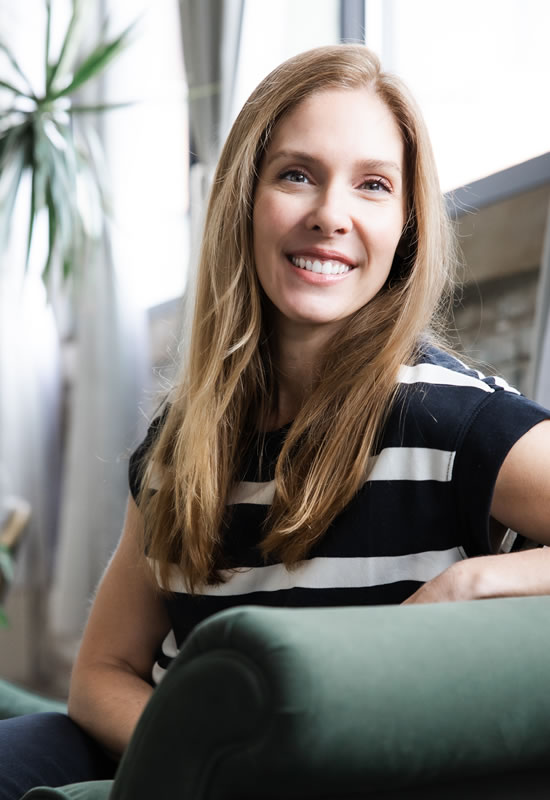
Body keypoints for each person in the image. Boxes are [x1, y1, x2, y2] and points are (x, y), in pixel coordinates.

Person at [1, 43, 549, 799]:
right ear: (244, 199)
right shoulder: (181, 444)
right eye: (297, 174)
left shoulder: (458, 424)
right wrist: (206, 768)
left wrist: (472, 585)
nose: (330, 215)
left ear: (406, 226)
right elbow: (102, 674)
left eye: (373, 186)